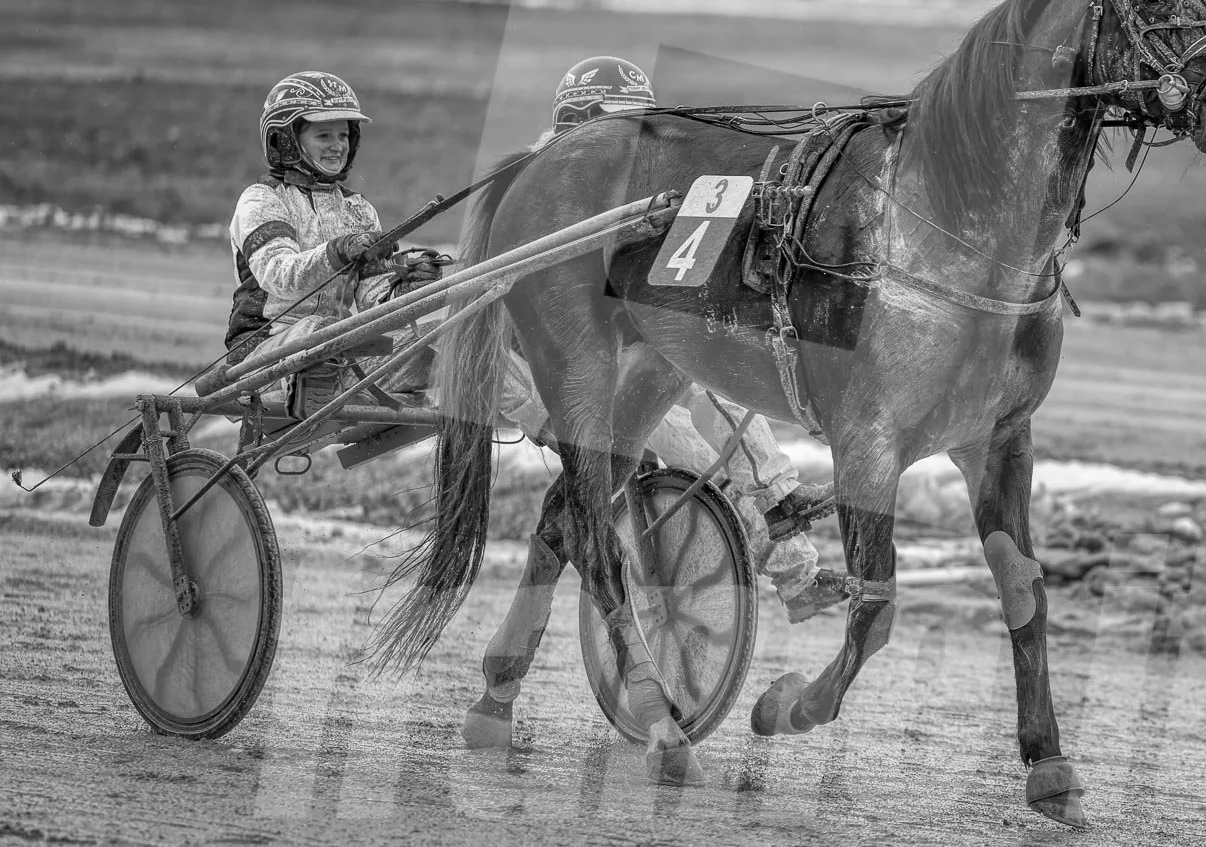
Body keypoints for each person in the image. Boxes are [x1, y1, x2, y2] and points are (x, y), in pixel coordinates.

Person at [517, 55, 847, 623]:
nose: (633, 144)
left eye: (640, 129)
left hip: (633, 350)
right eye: (617, 129)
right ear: (579, 127)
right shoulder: (541, 193)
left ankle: (790, 542)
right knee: (703, 464)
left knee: (719, 396)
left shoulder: (632, 184)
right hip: (564, 373)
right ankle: (781, 552)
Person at [225, 70, 441, 417]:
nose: (338, 145)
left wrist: (408, 284)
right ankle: (315, 387)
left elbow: (375, 304)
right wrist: (340, 250)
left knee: (452, 337)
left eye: (343, 134)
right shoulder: (262, 201)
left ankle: (545, 424)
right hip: (263, 362)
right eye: (324, 134)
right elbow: (280, 276)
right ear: (286, 140)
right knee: (319, 331)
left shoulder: (360, 210)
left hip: (340, 359)